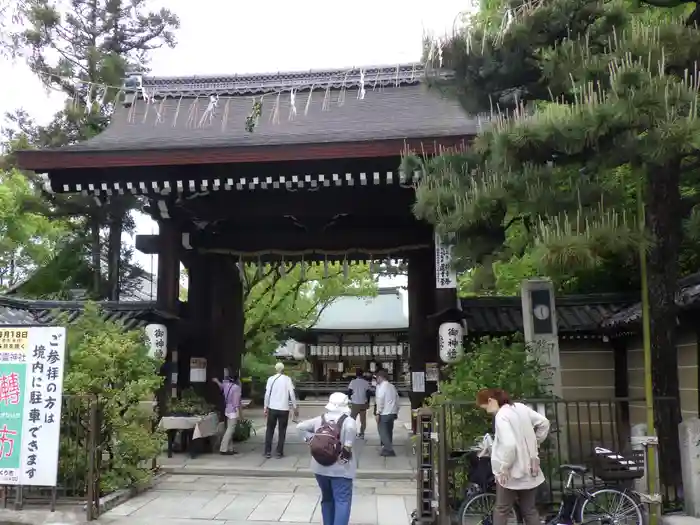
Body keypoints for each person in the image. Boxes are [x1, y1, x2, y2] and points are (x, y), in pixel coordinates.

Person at [476, 388, 550, 525]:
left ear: (491, 401)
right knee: (529, 509)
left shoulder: (501, 416)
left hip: (511, 471)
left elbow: (509, 445)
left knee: (502, 509)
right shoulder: (521, 408)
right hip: (530, 467)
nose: (486, 411)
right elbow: (544, 423)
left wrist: (504, 467)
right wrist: (535, 443)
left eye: (484, 407)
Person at [297, 392, 357, 525]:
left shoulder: (319, 420)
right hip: (342, 470)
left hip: (320, 468)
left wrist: (311, 439)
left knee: (327, 499)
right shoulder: (349, 422)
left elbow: (300, 427)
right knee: (342, 501)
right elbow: (349, 444)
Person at [264, 361, 298, 459]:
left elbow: (267, 394)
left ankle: (267, 452)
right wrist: (294, 407)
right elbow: (291, 393)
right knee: (282, 431)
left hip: (272, 407)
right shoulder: (287, 379)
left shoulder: (271, 379)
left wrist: (265, 407)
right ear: (283, 369)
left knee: (269, 430)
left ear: (275, 369)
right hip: (284, 408)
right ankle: (279, 452)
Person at [212, 372, 242, 455]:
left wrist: (217, 381)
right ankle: (223, 448)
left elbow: (221, 386)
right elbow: (236, 402)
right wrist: (238, 413)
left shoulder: (226, 385)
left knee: (229, 429)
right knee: (230, 430)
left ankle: (230, 448)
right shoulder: (236, 388)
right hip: (233, 410)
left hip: (227, 409)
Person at [374, 369, 399, 457]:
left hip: (384, 412)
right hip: (392, 412)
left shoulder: (382, 387)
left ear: (380, 377)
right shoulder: (392, 386)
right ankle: (387, 447)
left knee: (382, 431)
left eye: (377, 378)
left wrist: (378, 412)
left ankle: (389, 449)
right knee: (389, 431)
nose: (376, 380)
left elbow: (380, 400)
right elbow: (397, 399)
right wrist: (396, 411)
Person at [348, 368, 371, 439]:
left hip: (355, 403)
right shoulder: (365, 382)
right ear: (362, 374)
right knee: (363, 420)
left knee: (352, 419)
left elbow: (349, 391)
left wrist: (350, 398)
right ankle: (362, 434)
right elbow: (368, 393)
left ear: (356, 374)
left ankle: (353, 433)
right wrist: (368, 402)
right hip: (363, 403)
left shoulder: (353, 382)